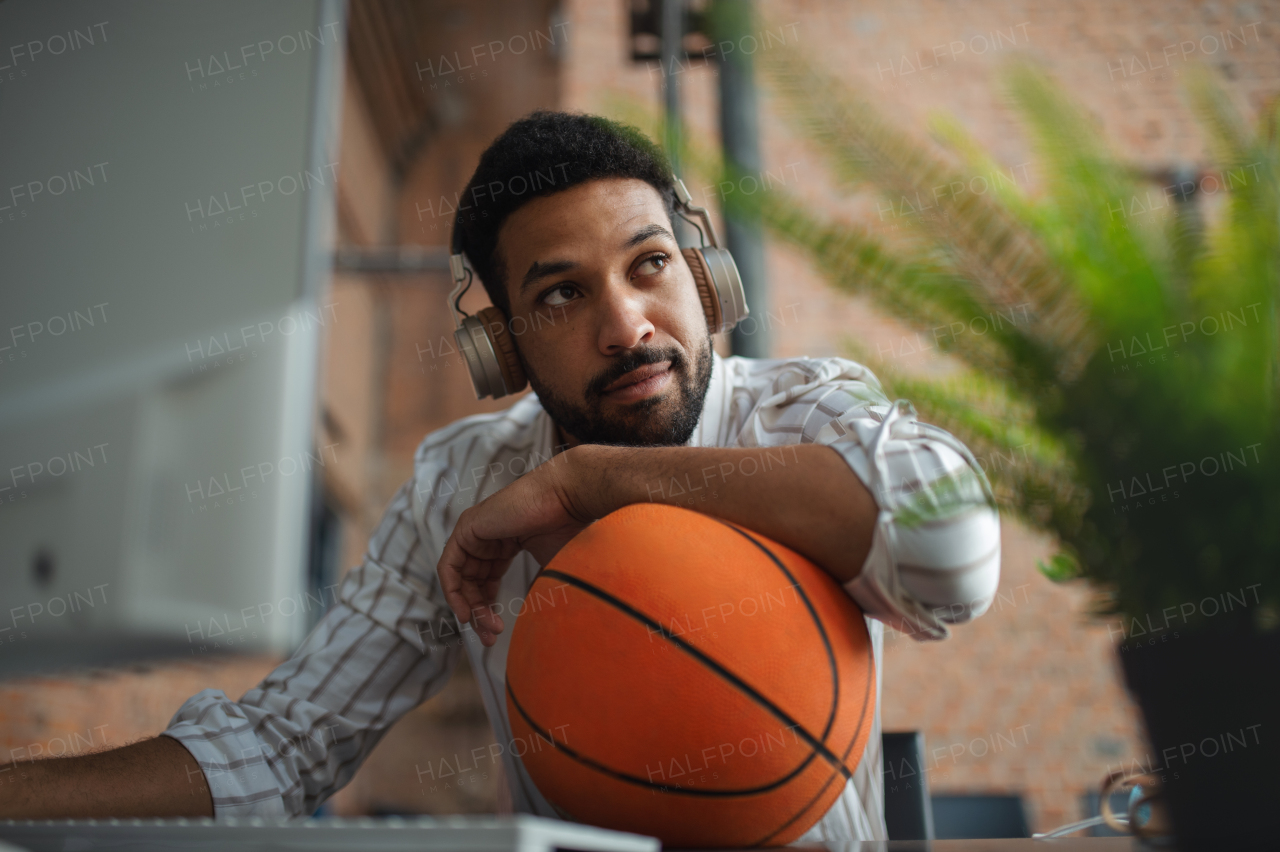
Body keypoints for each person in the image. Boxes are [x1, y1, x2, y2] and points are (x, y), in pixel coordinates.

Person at [0, 111, 1001, 841]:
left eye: (648, 265)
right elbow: (277, 751)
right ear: (502, 351)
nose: (625, 326)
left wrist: (593, 483)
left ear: (704, 279)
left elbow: (952, 552)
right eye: (561, 294)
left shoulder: (799, 409)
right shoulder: (462, 480)